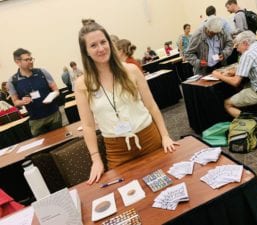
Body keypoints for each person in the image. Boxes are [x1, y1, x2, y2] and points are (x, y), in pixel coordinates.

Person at [75, 20, 178, 184]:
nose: (101, 48)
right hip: (117, 150)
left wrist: (165, 136)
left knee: (166, 185)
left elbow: (151, 105)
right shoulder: (82, 84)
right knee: (131, 199)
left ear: (110, 43)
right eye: (93, 45)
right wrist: (96, 159)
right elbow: (87, 126)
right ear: (86, 51)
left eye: (103, 42)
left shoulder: (131, 70)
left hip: (149, 138)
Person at [212, 31, 257, 118]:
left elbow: (235, 82)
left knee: (227, 103)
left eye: (237, 45)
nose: (237, 49)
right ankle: (253, 112)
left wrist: (218, 75)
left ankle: (252, 124)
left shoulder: (247, 55)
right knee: (244, 86)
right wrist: (237, 70)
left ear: (245, 43)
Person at [7, 48, 62, 136]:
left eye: (31, 59)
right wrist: (22, 102)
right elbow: (15, 102)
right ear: (17, 62)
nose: (30, 61)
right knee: (43, 148)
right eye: (26, 60)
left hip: (53, 115)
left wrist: (51, 96)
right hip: (36, 121)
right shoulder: (12, 81)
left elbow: (56, 90)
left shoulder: (42, 72)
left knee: (61, 140)